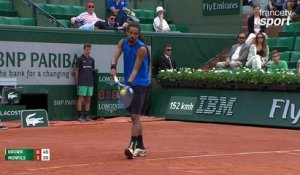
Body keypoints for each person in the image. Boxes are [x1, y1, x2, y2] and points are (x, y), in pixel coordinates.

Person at [110, 22, 150, 159]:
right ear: (127, 32)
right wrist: (113, 66)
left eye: (135, 34)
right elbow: (115, 55)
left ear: (138, 35)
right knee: (136, 118)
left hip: (140, 83)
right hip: (130, 83)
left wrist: (127, 85)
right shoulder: (123, 42)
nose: (132, 35)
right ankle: (142, 147)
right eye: (130, 33)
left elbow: (135, 69)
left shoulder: (142, 49)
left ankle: (132, 146)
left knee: (135, 116)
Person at [75, 43, 95, 122]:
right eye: (87, 49)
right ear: (84, 49)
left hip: (90, 83)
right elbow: (76, 70)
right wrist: (77, 82)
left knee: (88, 100)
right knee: (80, 99)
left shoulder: (92, 60)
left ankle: (86, 116)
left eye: (89, 49)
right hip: (82, 82)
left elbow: (92, 71)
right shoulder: (79, 59)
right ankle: (80, 116)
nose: (88, 51)